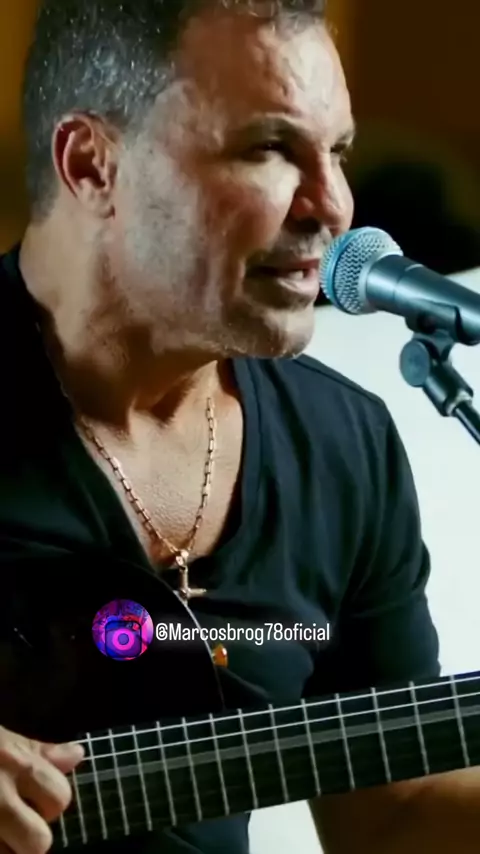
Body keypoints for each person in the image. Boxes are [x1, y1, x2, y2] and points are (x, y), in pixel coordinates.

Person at [0, 1, 479, 853]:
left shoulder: (343, 446)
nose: (334, 208)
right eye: (268, 148)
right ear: (91, 164)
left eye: (338, 153)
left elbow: (393, 813)